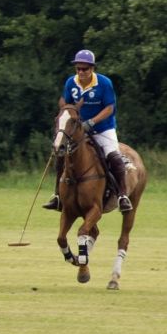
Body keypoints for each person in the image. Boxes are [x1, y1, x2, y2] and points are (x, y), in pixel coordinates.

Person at [43, 49, 132, 213]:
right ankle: (57, 196)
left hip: (104, 128)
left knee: (113, 156)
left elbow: (110, 108)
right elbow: (67, 104)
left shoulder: (104, 83)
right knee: (62, 157)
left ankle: (122, 196)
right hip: (79, 130)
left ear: (92, 68)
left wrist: (91, 122)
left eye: (85, 69)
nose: (81, 72)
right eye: (78, 68)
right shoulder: (71, 82)